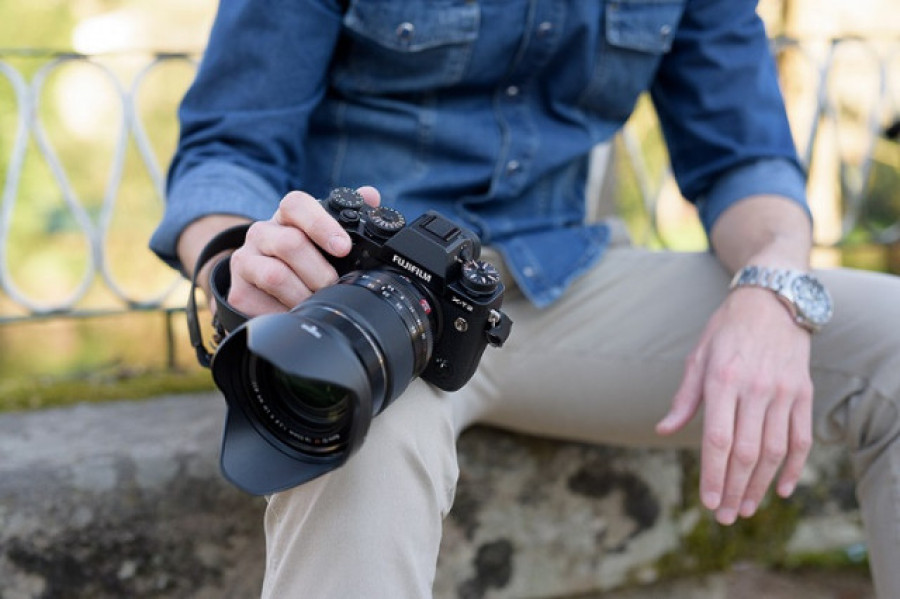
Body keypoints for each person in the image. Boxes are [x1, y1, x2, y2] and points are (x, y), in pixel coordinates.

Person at [150, 1, 900, 596]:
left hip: (560, 283)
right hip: (362, 302)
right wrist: (236, 262)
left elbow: (747, 158)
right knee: (346, 427)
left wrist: (772, 286)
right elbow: (229, 148)